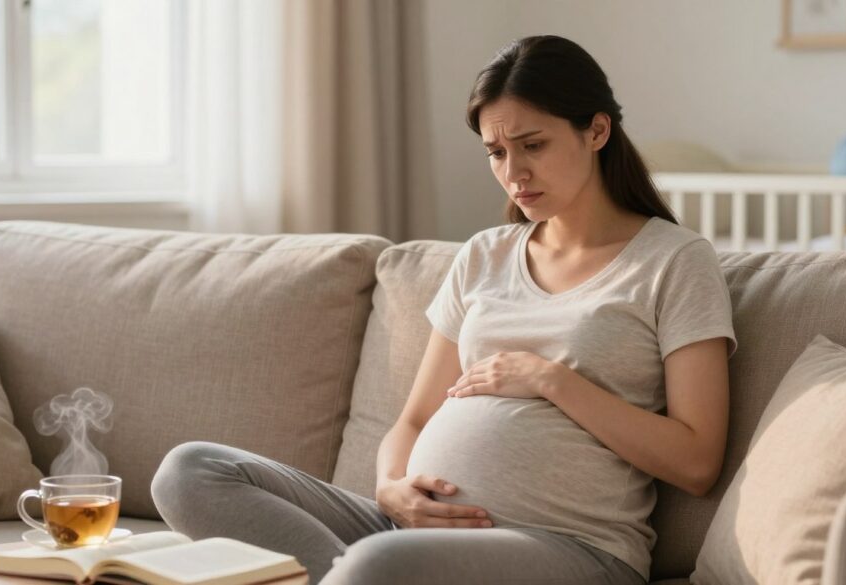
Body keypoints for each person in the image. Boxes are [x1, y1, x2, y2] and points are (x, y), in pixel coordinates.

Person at [151, 35, 736, 585]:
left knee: (378, 566)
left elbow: (696, 460)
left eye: (533, 145)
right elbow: (412, 420)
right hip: (408, 530)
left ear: (597, 131)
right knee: (190, 471)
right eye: (497, 152)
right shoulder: (485, 254)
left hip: (570, 545)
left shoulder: (674, 261)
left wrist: (551, 380)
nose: (514, 174)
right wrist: (390, 489)